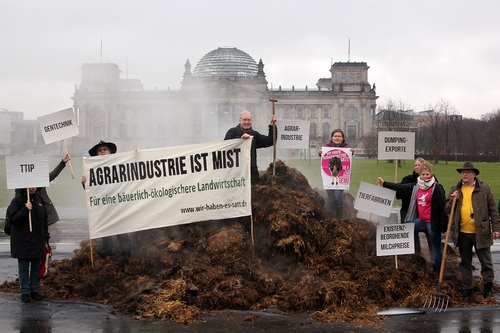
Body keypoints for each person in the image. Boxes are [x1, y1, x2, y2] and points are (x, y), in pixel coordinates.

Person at [378, 161, 447, 272]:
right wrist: (384, 183)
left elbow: (442, 207)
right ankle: (412, 257)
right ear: (420, 175)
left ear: (431, 175)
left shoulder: (437, 188)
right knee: (406, 227)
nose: (425, 177)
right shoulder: (417, 186)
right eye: (423, 174)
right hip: (421, 221)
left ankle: (438, 271)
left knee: (436, 249)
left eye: (427, 174)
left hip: (432, 223)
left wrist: (442, 225)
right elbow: (400, 187)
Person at [446, 162, 500, 298]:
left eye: (468, 172)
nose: (465, 174)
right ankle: (467, 287)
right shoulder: (456, 190)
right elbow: (447, 209)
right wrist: (453, 200)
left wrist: (496, 228)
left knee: (486, 261)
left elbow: (493, 209)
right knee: (465, 262)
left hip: (481, 231)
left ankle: (488, 286)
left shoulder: (484, 188)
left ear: (474, 174)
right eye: (463, 172)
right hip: (462, 233)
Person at [82, 140, 131, 257]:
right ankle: (107, 253)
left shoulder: (118, 164)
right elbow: (91, 191)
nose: (102, 152)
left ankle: (127, 254)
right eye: (100, 150)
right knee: (105, 231)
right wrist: (84, 183)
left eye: (105, 150)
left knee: (121, 231)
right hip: (103, 206)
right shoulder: (92, 169)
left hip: (117, 204)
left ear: (110, 152)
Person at [16, 153, 71, 245]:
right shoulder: (20, 183)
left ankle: (46, 252)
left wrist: (63, 162)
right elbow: (17, 198)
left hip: (43, 212)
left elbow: (53, 174)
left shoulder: (40, 179)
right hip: (29, 213)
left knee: (45, 236)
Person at [7, 187, 50, 303]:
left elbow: (44, 220)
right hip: (22, 241)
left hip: (37, 240)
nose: (33, 188)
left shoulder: (39, 200)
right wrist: (25, 210)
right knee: (24, 268)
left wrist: (46, 236)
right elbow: (13, 219)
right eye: (30, 186)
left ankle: (34, 290)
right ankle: (25, 292)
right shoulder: (16, 201)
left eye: (34, 186)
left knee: (36, 267)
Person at [224, 110, 277, 184]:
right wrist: (241, 139)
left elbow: (270, 141)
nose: (246, 122)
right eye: (244, 119)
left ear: (251, 121)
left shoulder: (254, 135)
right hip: (235, 173)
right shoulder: (232, 132)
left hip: (251, 173)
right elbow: (226, 146)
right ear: (240, 120)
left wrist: (272, 125)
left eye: (248, 120)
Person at [317, 129, 353, 218]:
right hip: (329, 178)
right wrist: (320, 154)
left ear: (342, 138)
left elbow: (347, 161)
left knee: (337, 196)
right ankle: (332, 218)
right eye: (335, 136)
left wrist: (352, 153)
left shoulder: (347, 148)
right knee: (331, 198)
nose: (337, 138)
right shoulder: (326, 147)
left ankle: (339, 217)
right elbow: (325, 160)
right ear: (332, 137)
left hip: (341, 177)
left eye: (339, 136)